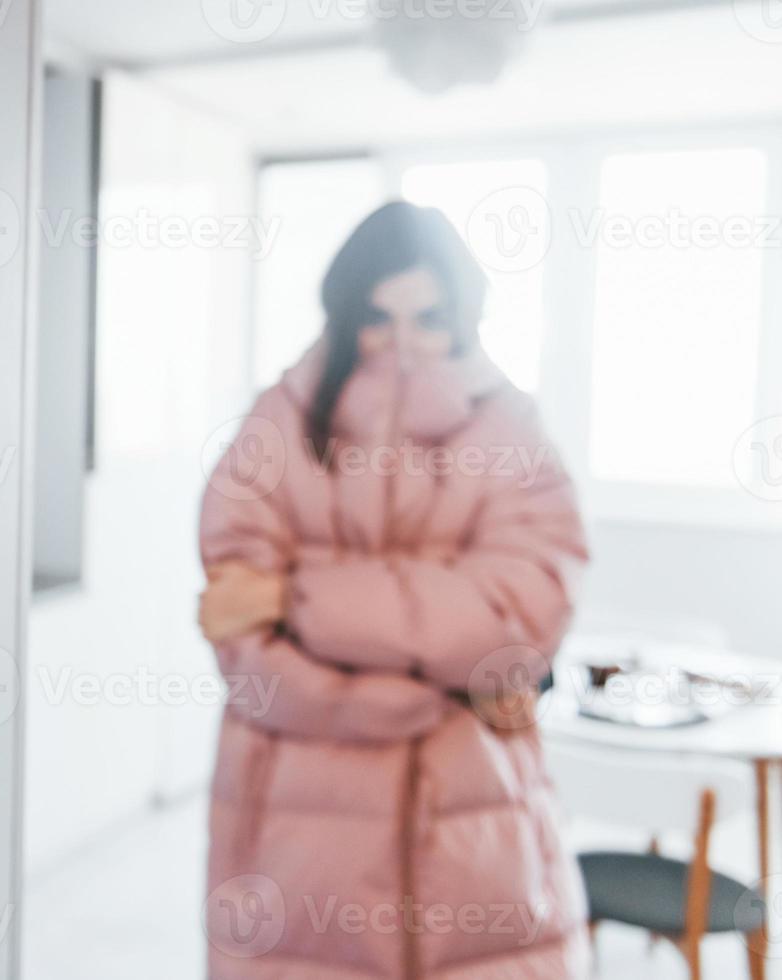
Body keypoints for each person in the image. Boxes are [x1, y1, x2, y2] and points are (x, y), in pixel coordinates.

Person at [197, 201, 590, 979]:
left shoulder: (509, 427)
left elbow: (517, 614)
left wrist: (298, 595)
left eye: (428, 317)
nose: (403, 344)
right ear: (344, 314)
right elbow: (239, 621)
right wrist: (415, 686)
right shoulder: (275, 425)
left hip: (472, 811)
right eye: (378, 318)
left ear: (464, 314)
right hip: (293, 822)